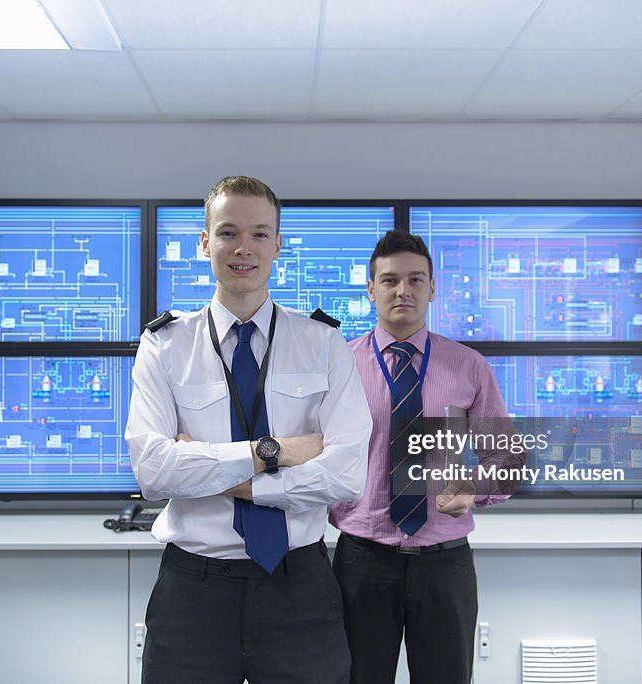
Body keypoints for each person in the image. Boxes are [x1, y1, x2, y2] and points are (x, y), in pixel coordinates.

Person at [125, 175, 372, 684]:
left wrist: (213, 466)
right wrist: (275, 451)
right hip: (193, 591)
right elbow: (152, 470)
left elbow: (347, 474)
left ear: (279, 244)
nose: (244, 248)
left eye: (260, 234)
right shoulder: (164, 346)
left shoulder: (323, 343)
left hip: (298, 585)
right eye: (228, 232)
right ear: (204, 242)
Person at [329, 231, 524, 684]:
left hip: (445, 562)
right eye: (391, 280)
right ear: (371, 288)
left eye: (416, 280)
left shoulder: (468, 366)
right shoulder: (338, 364)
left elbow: (508, 458)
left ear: (433, 288)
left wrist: (476, 486)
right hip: (362, 561)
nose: (404, 291)